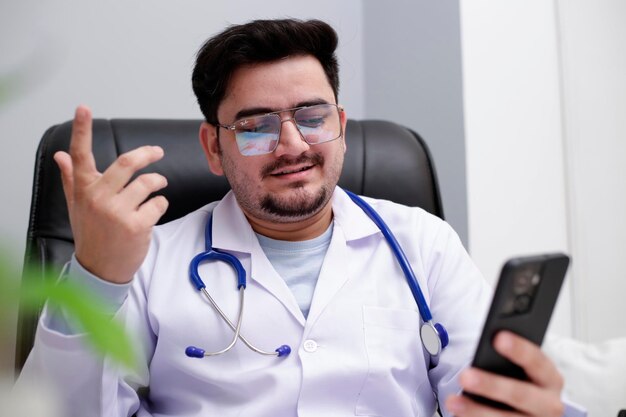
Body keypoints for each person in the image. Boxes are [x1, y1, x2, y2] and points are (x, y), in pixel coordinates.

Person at [17, 19, 580, 417]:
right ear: (214, 148)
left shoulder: (421, 243)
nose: (292, 145)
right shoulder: (145, 261)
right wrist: (96, 275)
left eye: (310, 116)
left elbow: (485, 400)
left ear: (339, 122)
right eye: (257, 125)